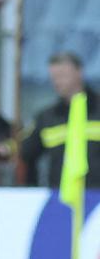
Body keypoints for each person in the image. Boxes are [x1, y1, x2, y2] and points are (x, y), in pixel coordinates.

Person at [21, 52, 100, 187]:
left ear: (79, 72)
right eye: (54, 77)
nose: (57, 82)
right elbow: (25, 152)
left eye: (63, 76)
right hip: (60, 197)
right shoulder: (47, 117)